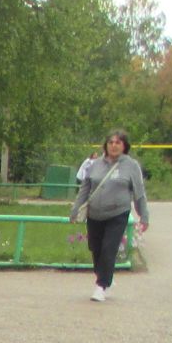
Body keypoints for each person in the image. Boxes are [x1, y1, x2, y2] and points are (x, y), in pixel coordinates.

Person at [70, 128, 149, 303]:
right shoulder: (95, 164)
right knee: (95, 248)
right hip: (95, 214)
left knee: (109, 248)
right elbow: (85, 188)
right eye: (111, 142)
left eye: (118, 143)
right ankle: (105, 277)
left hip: (117, 213)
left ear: (124, 146)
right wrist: (75, 209)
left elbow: (139, 193)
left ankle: (101, 285)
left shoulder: (131, 166)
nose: (114, 146)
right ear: (106, 145)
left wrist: (144, 216)